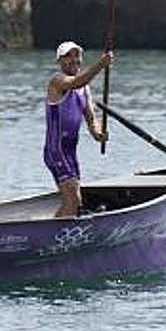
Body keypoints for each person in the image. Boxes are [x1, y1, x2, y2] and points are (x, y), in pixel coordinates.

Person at [46, 42, 113, 217]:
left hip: (70, 152)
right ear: (59, 61)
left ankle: (58, 231)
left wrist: (98, 134)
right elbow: (77, 81)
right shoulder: (57, 81)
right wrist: (101, 64)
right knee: (73, 201)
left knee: (76, 203)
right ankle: (53, 236)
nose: (73, 60)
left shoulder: (85, 89)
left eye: (76, 56)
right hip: (56, 151)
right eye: (68, 56)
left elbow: (91, 118)